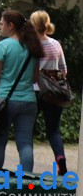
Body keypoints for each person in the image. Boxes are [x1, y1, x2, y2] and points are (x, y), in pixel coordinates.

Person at [0, 9, 43, 172]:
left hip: (5, 101)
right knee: (25, 143)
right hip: (29, 101)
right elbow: (35, 78)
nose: (0, 26)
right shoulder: (32, 47)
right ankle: (26, 182)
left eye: (2, 23)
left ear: (10, 25)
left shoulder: (3, 46)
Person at [30, 9, 68, 175]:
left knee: (27, 130)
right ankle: (60, 158)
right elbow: (64, 70)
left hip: (35, 92)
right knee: (53, 129)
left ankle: (26, 165)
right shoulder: (55, 44)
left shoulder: (31, 46)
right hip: (53, 92)